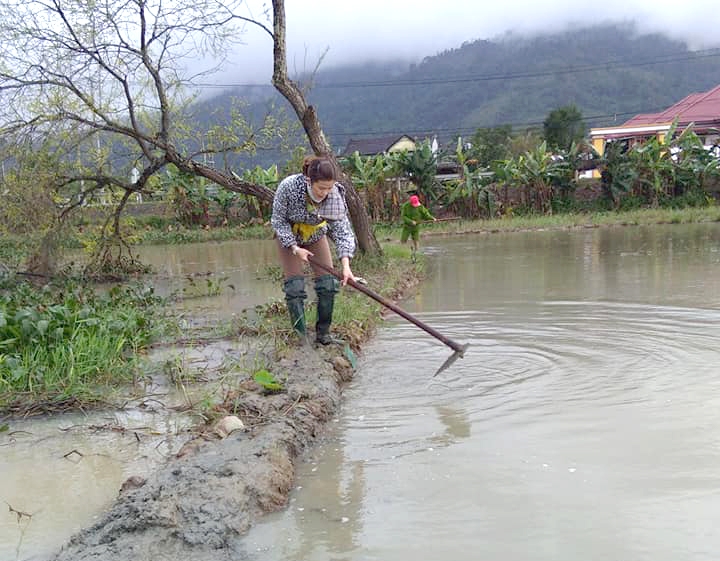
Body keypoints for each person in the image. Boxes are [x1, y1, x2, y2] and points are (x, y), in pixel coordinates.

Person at [271, 156, 357, 344]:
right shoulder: (289, 187)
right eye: (321, 188)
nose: (325, 193)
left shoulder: (334, 196)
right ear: (309, 181)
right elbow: (278, 220)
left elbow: (343, 231)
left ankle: (323, 334)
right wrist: (295, 248)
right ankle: (301, 337)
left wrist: (346, 265)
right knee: (294, 287)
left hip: (315, 234)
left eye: (329, 188)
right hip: (290, 234)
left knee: (328, 284)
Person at [400, 194, 435, 259]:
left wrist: (432, 218)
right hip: (407, 226)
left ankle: (417, 252)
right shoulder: (405, 206)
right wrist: (411, 221)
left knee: (416, 239)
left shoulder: (420, 206)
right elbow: (403, 216)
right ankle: (402, 252)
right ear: (411, 202)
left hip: (416, 226)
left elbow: (425, 214)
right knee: (403, 239)